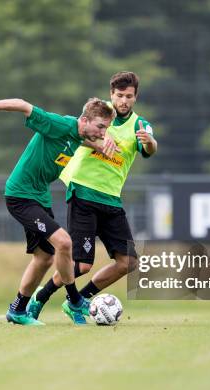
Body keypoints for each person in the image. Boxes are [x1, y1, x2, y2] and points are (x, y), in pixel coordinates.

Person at [0, 97, 116, 325]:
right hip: (21, 195)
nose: (104, 133)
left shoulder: (78, 134)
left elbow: (78, 140)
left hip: (39, 197)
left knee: (44, 258)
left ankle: (17, 309)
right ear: (84, 120)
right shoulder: (59, 124)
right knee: (63, 243)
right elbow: (22, 104)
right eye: (101, 127)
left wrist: (98, 146)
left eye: (106, 128)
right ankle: (74, 299)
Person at [27, 71, 158, 320]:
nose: (123, 101)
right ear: (112, 95)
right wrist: (102, 134)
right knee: (82, 264)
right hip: (83, 192)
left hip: (111, 198)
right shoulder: (99, 113)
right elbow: (78, 131)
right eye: (119, 95)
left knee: (128, 262)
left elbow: (150, 150)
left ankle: (80, 299)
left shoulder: (140, 125)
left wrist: (149, 141)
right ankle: (39, 298)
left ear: (135, 97)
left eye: (129, 96)